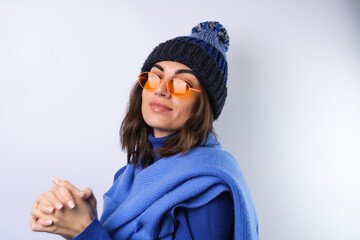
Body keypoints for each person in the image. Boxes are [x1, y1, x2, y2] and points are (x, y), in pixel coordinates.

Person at [30, 21, 259, 240]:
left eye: (180, 84)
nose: (160, 89)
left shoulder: (207, 192)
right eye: (154, 76)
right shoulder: (128, 176)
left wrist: (83, 231)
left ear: (203, 105)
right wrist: (81, 216)